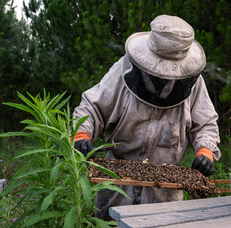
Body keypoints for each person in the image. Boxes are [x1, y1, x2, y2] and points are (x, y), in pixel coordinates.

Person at [72, 14, 221, 219]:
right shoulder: (122, 71)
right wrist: (81, 134)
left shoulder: (193, 83)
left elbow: (205, 123)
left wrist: (205, 149)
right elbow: (91, 108)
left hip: (164, 195)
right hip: (116, 186)